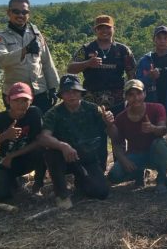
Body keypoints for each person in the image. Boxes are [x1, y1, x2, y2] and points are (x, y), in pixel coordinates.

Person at [38, 75, 114, 209]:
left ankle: (81, 180)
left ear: (81, 93)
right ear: (61, 95)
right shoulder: (53, 113)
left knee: (101, 192)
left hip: (87, 158)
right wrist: (62, 145)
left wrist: (110, 124)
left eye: (75, 91)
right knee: (51, 152)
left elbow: (115, 135)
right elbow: (44, 138)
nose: (71, 95)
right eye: (67, 92)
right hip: (65, 157)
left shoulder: (93, 109)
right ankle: (62, 194)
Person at [0, 82, 45, 203]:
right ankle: (13, 181)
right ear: (8, 101)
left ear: (31, 100)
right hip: (7, 163)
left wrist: (13, 155)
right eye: (16, 100)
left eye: (25, 100)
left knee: (43, 150)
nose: (20, 105)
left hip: (28, 158)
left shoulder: (35, 113)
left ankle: (37, 186)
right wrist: (4, 136)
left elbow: (40, 141)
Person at [0, 0, 59, 113]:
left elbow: (47, 61)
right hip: (15, 94)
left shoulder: (36, 35)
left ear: (28, 14)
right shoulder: (0, 37)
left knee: (43, 127)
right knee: (21, 129)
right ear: (9, 13)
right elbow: (2, 60)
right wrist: (25, 50)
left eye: (24, 12)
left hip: (39, 91)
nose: (20, 15)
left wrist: (53, 88)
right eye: (16, 11)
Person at [136, 25, 167, 166]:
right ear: (154, 40)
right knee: (149, 141)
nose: (162, 41)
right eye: (159, 38)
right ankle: (146, 170)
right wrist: (149, 78)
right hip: (151, 108)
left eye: (166, 38)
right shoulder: (145, 61)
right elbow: (137, 85)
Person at [108, 79, 167, 194]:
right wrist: (124, 160)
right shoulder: (121, 117)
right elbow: (116, 143)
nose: (136, 98)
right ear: (125, 97)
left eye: (139, 93)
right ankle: (139, 173)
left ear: (145, 94)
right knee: (114, 176)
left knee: (161, 144)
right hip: (135, 155)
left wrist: (153, 128)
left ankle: (161, 180)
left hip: (154, 152)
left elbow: (163, 130)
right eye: (131, 95)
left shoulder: (157, 108)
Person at [67, 15, 136, 109]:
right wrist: (88, 63)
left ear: (114, 29)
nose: (104, 31)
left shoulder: (123, 50)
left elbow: (132, 75)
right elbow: (70, 68)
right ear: (95, 30)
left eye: (108, 27)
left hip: (118, 99)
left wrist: (129, 95)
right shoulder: (86, 49)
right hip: (91, 100)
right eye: (100, 28)